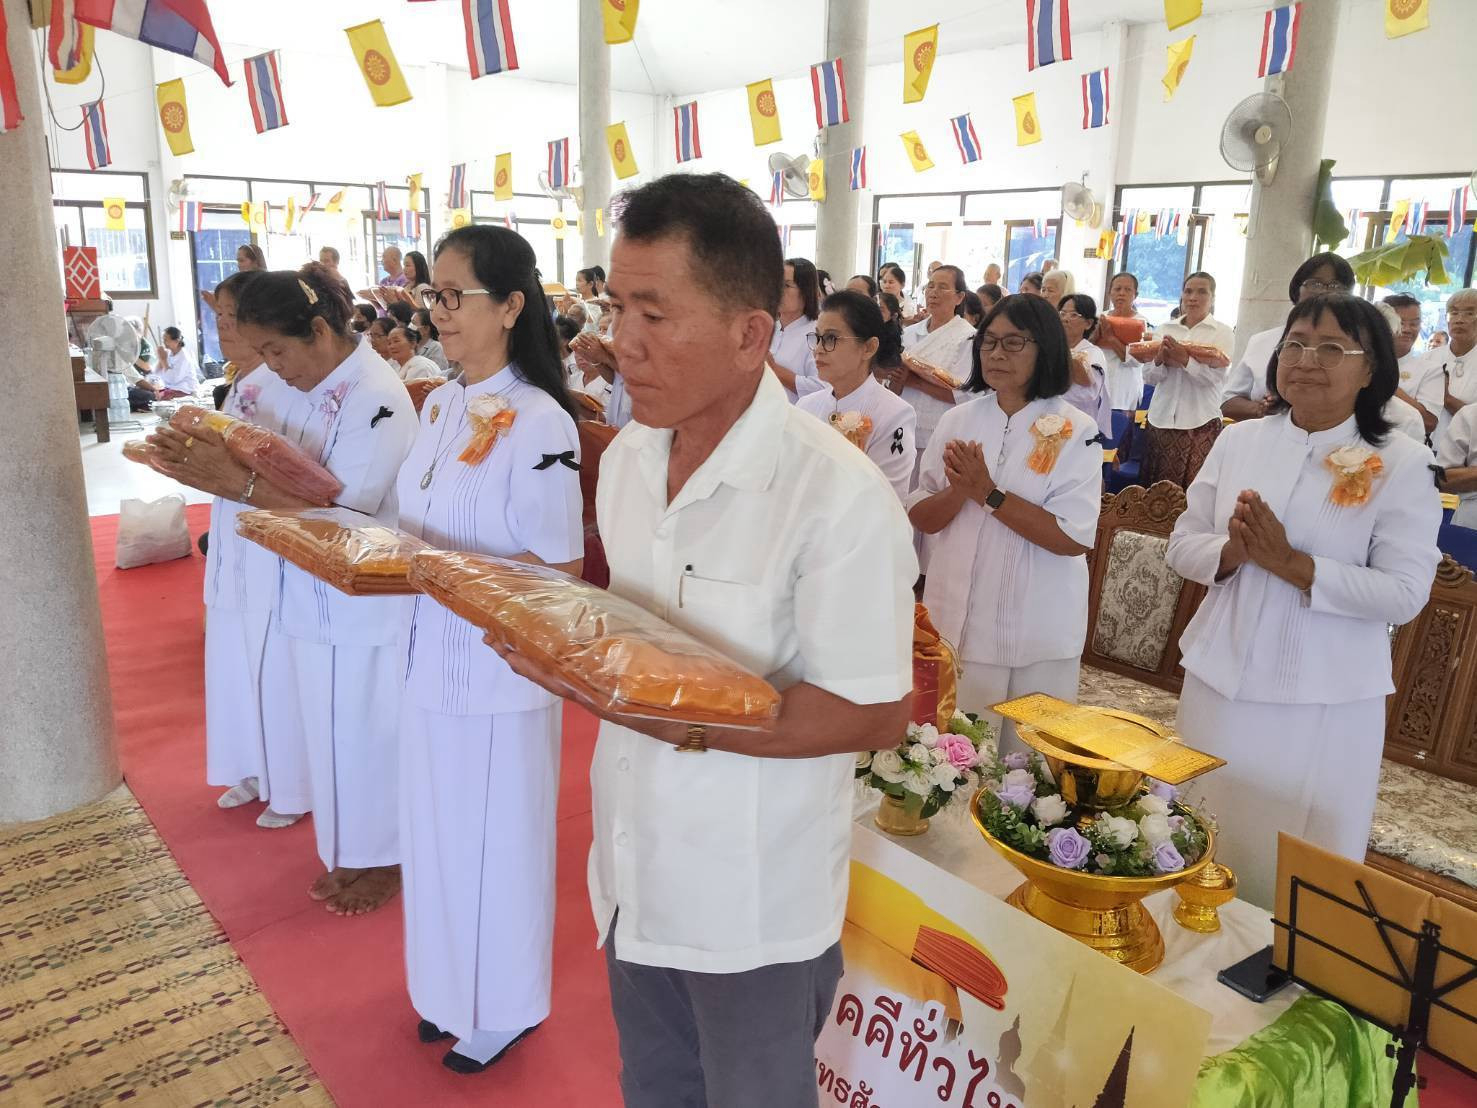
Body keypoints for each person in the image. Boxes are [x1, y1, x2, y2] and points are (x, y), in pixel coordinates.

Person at [495, 172, 916, 1107]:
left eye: (653, 313)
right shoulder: (632, 460)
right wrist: (574, 654)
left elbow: (878, 711)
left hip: (748, 898)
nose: (618, 343)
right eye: (613, 306)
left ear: (749, 332)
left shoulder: (834, 497)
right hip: (632, 871)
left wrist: (656, 712)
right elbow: (630, 638)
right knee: (654, 1090)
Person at [1166, 294, 1440, 910]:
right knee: (1201, 835)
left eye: (1332, 348)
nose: (1306, 361)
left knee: (1292, 867)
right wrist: (1233, 552)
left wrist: (1293, 565)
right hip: (1220, 676)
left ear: (1371, 369)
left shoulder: (1405, 462)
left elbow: (1404, 594)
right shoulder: (1239, 443)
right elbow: (1182, 546)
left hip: (1323, 699)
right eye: (1295, 344)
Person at [395, 225, 584, 1075]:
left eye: (454, 296)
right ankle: (444, 992)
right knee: (433, 835)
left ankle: (503, 1006)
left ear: (510, 306)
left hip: (500, 669)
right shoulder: (437, 402)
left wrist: (449, 573)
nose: (438, 312)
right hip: (427, 653)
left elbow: (558, 568)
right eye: (431, 295)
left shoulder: (542, 419)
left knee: (498, 844)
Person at [233, 263, 416, 915]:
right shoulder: (311, 384)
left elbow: (350, 506)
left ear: (317, 329)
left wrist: (244, 483)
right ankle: (350, 848)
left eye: (276, 349)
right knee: (332, 729)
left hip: (363, 592)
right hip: (310, 584)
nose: (272, 365)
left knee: (367, 729)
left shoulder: (375, 393)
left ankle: (384, 854)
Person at [908, 294, 1103, 760]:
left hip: (1035, 631)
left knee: (1024, 773)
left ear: (1047, 349)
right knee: (950, 760)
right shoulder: (959, 420)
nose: (996, 354)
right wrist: (961, 490)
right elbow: (920, 513)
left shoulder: (1078, 430)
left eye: (1013, 343)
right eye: (989, 342)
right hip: (958, 619)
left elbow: (1073, 537)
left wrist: (989, 493)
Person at [166, 271, 309, 829]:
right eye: (219, 317)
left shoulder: (283, 384)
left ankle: (288, 778)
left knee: (268, 663)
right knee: (232, 656)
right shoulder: (240, 382)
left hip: (267, 536)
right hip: (231, 526)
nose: (224, 328)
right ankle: (250, 764)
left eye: (233, 318)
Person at [797, 290, 917, 501]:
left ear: (868, 348)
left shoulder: (894, 415)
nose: (818, 349)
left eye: (831, 338)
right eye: (817, 337)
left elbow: (886, 499)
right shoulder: (806, 406)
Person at [1222, 253, 1354, 422]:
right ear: (1296, 290)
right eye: (1315, 283)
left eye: (1336, 286)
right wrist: (1261, 408)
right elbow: (1228, 402)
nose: (1325, 292)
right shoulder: (1262, 342)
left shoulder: (1356, 346)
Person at [1142, 271, 1234, 486]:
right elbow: (1149, 377)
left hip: (1200, 421)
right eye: (1188, 291)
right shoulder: (1165, 329)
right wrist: (1159, 360)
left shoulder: (1222, 332)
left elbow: (1214, 380)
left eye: (1202, 292)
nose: (1193, 297)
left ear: (1212, 299)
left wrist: (1185, 361)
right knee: (1153, 492)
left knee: (1192, 491)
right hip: (1161, 418)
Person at [897, 265, 975, 479]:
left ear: (959, 297)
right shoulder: (909, 333)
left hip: (940, 430)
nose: (933, 293)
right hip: (903, 424)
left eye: (943, 287)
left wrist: (917, 381)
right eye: (930, 286)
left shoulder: (967, 338)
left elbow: (965, 395)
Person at [1382, 294, 1440, 436]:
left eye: (1414, 323)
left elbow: (1429, 423)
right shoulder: (1361, 362)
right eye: (1400, 323)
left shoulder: (1431, 369)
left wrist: (1385, 383)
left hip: (1403, 450)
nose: (1407, 329)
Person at [1058, 293, 1113, 439]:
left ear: (1088, 323)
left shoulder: (1093, 354)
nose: (1065, 319)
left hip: (1078, 427)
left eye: (1074, 315)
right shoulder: (1052, 349)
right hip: (1047, 421)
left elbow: (1088, 394)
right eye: (1062, 313)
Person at [1094, 272, 1149, 411]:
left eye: (1127, 289)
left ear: (1135, 295)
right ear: (1109, 293)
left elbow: (1136, 361)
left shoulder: (1140, 322)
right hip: (1096, 387)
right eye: (1117, 289)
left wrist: (1111, 338)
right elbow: (1087, 350)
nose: (1121, 293)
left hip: (1124, 391)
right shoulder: (1100, 318)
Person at [768, 257, 821, 402]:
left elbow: (821, 388)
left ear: (806, 291)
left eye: (786, 285)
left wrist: (773, 368)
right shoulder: (770, 328)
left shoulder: (817, 334)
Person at [1429, 288, 1477, 447]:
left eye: (1469, 313)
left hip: (1465, 457)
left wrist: (1447, 400)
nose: (1459, 320)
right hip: (1423, 447)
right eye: (1454, 313)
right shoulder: (1428, 359)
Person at [153, 327, 200, 399]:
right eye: (163, 340)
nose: (164, 343)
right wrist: (160, 358)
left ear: (176, 341)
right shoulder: (168, 352)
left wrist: (163, 360)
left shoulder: (184, 357)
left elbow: (173, 380)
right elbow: (155, 373)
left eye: (166, 340)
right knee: (150, 391)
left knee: (158, 396)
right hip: (170, 387)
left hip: (184, 389)